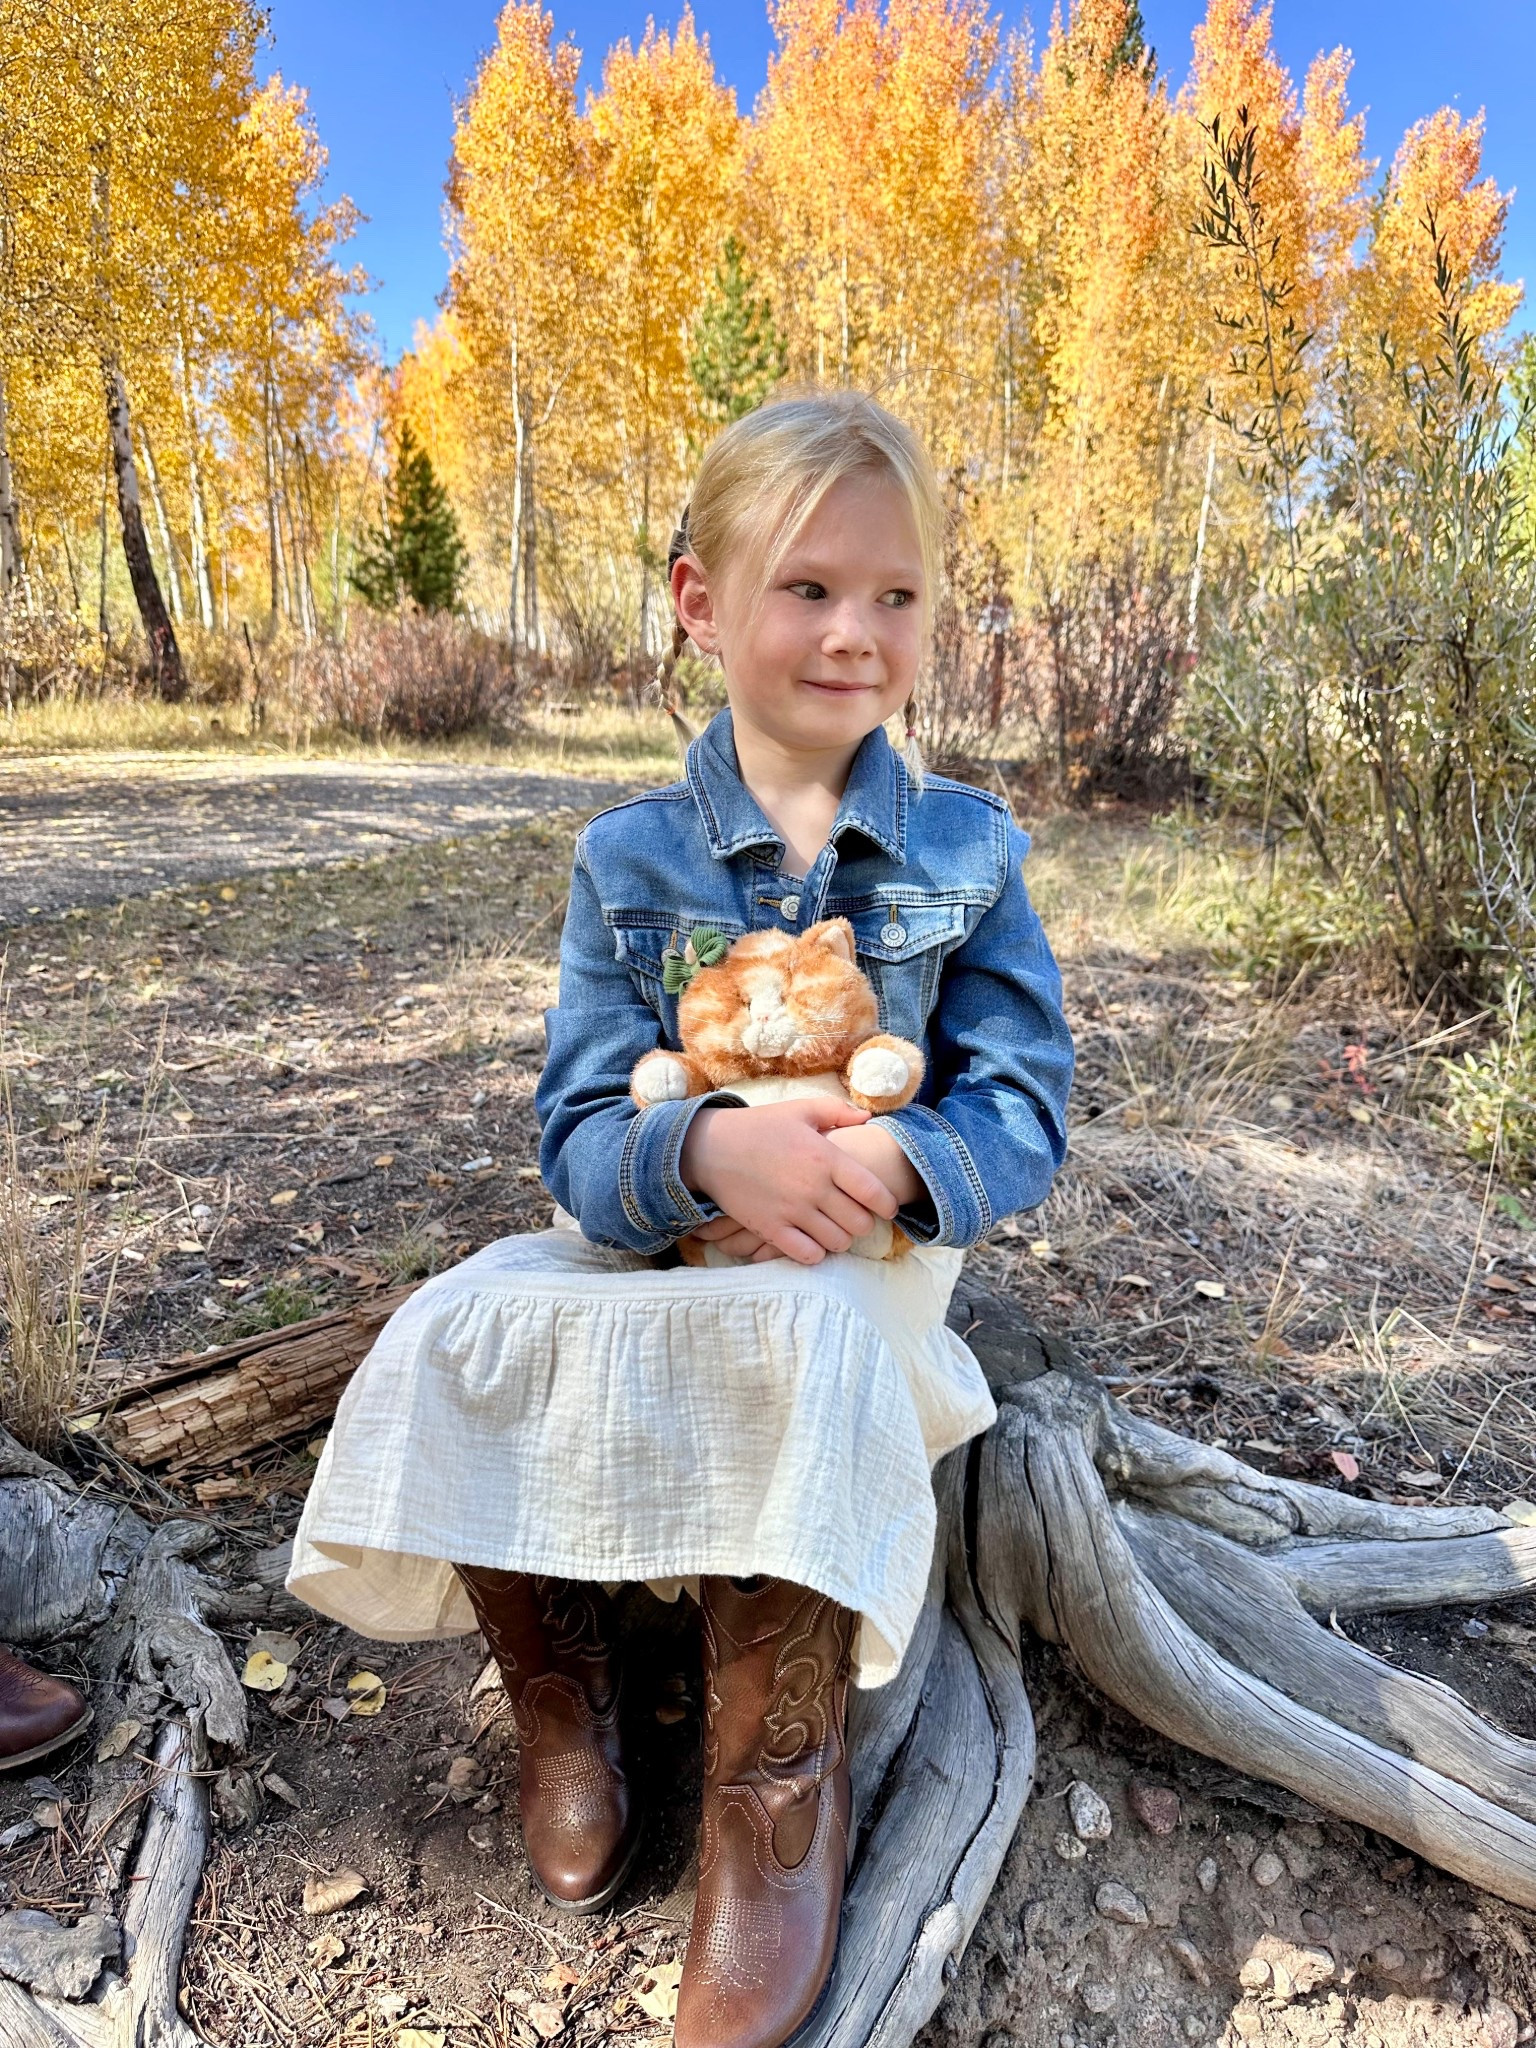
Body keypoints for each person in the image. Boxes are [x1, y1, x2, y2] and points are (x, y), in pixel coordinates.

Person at [287, 390, 1073, 2048]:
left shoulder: (969, 854)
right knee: (456, 1323)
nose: (855, 633)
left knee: (807, 1343)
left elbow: (1022, 1102)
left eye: (897, 594)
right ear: (701, 601)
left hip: (857, 1258)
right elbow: (579, 1129)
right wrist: (702, 1154)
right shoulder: (627, 861)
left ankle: (770, 1782)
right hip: (668, 1235)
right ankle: (565, 1684)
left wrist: (907, 1166)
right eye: (806, 588)